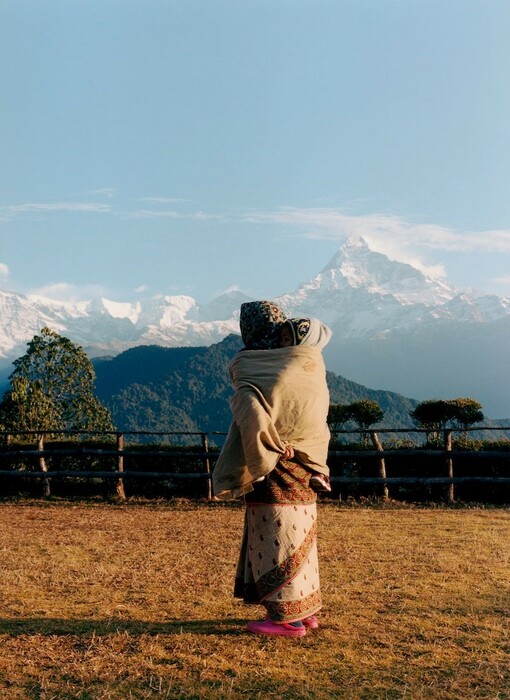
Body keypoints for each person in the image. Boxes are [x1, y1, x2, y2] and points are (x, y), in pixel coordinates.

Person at [212, 300, 331, 637]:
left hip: (275, 460)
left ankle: (284, 619)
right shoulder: (308, 359)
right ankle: (305, 611)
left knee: (275, 535)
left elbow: (250, 405)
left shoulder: (251, 365)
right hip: (307, 462)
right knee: (301, 534)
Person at [279, 317, 333, 493]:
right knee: (321, 435)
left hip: (309, 419)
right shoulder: (314, 361)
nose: (282, 343)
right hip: (291, 423)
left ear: (301, 340)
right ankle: (320, 470)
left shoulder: (306, 361)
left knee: (320, 434)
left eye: (287, 339)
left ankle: (319, 469)